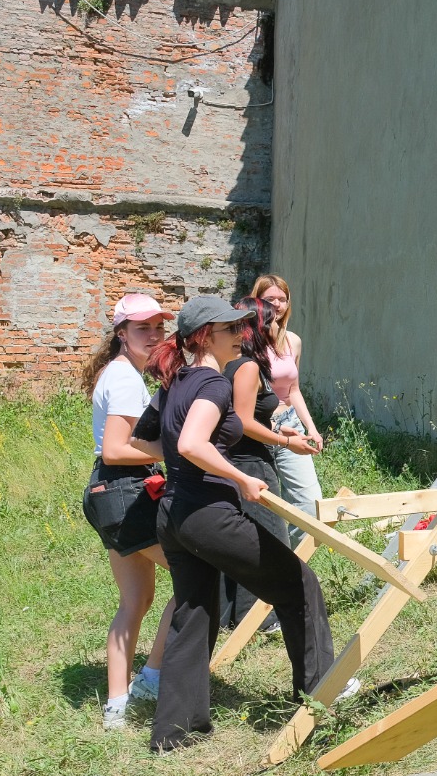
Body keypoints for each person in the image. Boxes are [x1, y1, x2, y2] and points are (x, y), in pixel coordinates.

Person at [134, 295, 335, 752]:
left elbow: (143, 440)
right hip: (207, 513)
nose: (242, 335)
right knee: (298, 583)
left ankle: (174, 731)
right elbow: (189, 442)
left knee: (195, 611)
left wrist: (190, 468)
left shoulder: (174, 381)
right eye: (231, 329)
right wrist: (239, 474)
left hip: (175, 513)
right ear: (207, 337)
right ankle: (321, 698)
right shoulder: (212, 384)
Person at [79, 293, 177, 730]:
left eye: (159, 327)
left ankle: (117, 705)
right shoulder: (122, 378)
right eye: (142, 328)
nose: (154, 335)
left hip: (107, 492)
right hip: (123, 491)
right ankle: (151, 678)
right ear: (121, 334)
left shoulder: (124, 374)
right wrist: (176, 452)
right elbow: (119, 450)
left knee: (136, 600)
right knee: (198, 574)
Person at [219, 296, 320, 631]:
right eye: (272, 321)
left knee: (245, 539)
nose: (278, 324)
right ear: (260, 327)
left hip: (239, 457)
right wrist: (285, 440)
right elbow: (245, 423)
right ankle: (261, 620)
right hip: (250, 462)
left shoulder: (235, 363)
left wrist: (278, 427)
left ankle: (232, 615)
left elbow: (238, 417)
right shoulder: (247, 367)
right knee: (269, 542)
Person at [250, 275, 323, 544]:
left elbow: (293, 390)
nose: (278, 305)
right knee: (260, 505)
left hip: (290, 424)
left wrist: (311, 428)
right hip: (255, 427)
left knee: (310, 503)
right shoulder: (245, 343)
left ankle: (290, 562)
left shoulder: (293, 341)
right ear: (257, 301)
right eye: (270, 299)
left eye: (283, 299)